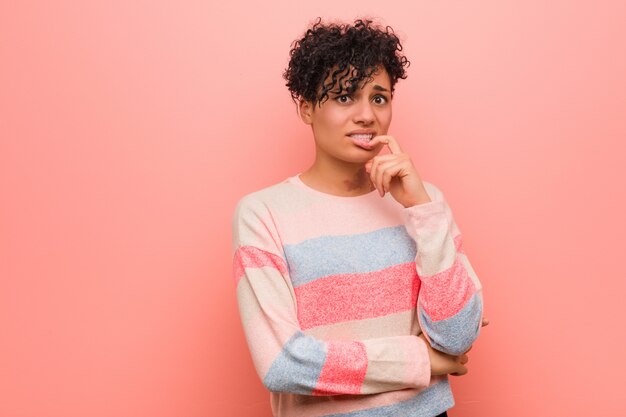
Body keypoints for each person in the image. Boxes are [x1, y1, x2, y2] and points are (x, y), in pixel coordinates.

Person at [231, 17, 487, 417]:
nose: (367, 115)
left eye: (379, 98)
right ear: (306, 108)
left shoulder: (425, 203)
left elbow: (456, 336)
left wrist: (421, 208)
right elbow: (284, 362)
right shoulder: (263, 214)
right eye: (344, 97)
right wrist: (419, 360)